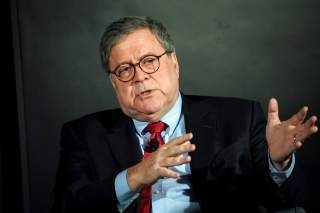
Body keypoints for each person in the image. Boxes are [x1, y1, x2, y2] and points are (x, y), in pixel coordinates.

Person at [53, 16, 318, 213]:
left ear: (174, 64)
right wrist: (135, 176)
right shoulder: (84, 134)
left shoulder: (239, 117)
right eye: (124, 69)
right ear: (114, 83)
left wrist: (278, 163)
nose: (140, 76)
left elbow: (289, 200)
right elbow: (68, 206)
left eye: (149, 61)